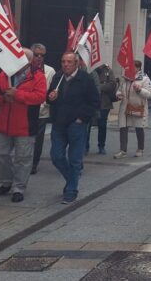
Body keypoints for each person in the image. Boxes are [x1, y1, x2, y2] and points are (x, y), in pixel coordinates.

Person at [0, 48, 47, 203]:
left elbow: (40, 97)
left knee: (23, 158)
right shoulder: (4, 74)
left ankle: (18, 188)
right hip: (4, 125)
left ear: (28, 61)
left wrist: (18, 95)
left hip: (25, 126)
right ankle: (7, 181)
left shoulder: (38, 77)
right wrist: (3, 98)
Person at [47, 52, 101, 204]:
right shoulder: (58, 77)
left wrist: (81, 118)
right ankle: (71, 179)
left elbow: (95, 101)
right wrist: (50, 97)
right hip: (59, 123)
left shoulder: (85, 79)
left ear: (76, 63)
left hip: (76, 124)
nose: (65, 64)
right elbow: (50, 97)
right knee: (56, 156)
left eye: (69, 62)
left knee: (75, 159)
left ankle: (71, 190)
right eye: (63, 61)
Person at [114, 60, 151, 159]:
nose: (128, 69)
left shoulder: (144, 79)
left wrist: (139, 90)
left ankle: (140, 148)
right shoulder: (125, 79)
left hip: (137, 107)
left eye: (131, 67)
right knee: (123, 127)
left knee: (139, 128)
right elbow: (119, 90)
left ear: (138, 68)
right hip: (125, 107)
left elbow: (149, 93)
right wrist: (118, 95)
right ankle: (123, 150)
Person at [30, 43, 55, 175]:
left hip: (41, 112)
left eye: (42, 55)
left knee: (38, 140)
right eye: (36, 55)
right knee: (27, 139)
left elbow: (52, 90)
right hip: (27, 111)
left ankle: (34, 163)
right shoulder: (25, 69)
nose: (39, 58)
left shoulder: (50, 71)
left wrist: (47, 101)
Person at [91, 64, 118, 155]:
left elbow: (112, 84)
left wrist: (98, 87)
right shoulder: (90, 70)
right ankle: (85, 146)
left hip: (104, 102)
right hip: (91, 103)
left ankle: (101, 146)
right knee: (87, 125)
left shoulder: (108, 71)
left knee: (102, 125)